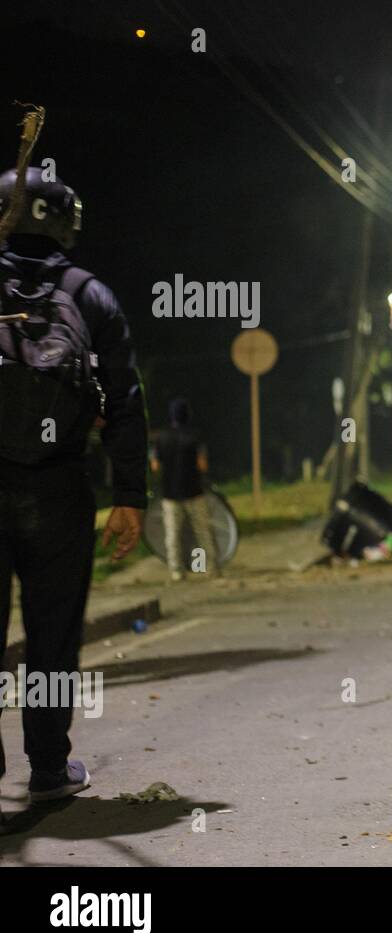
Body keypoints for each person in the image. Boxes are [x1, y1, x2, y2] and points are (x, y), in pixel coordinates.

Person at [0, 167, 147, 801]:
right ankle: (50, 769)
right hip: (59, 491)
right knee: (52, 639)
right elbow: (125, 398)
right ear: (65, 222)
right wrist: (130, 495)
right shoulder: (91, 296)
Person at [151, 396, 220, 581]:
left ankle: (176, 571)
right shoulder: (195, 436)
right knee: (202, 532)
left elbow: (155, 467)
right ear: (187, 414)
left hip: (170, 493)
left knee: (172, 534)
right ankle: (209, 568)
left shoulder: (161, 437)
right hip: (194, 491)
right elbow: (202, 465)